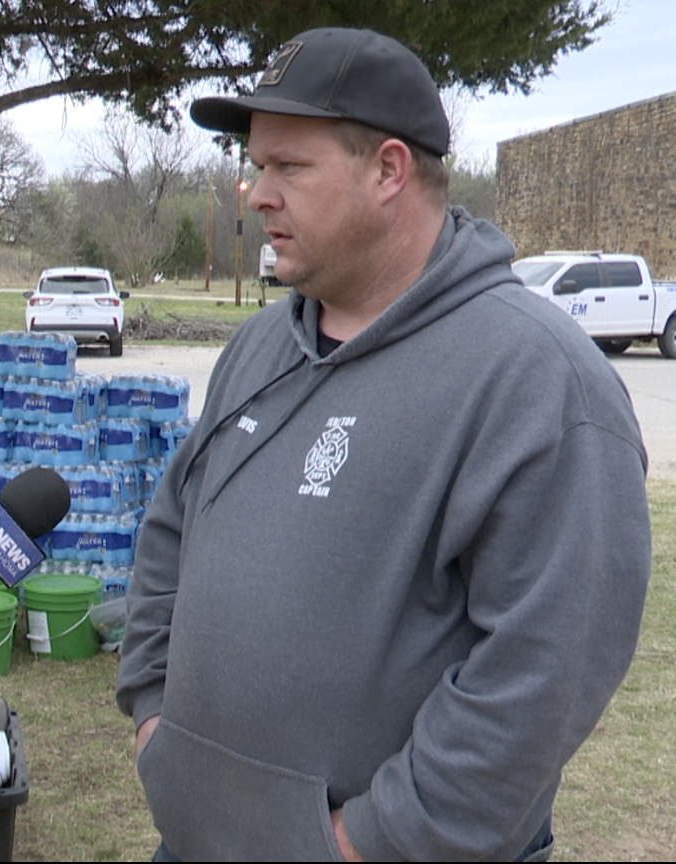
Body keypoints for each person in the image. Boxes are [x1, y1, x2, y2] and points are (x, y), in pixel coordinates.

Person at [116, 26, 651, 862]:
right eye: (258, 165)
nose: (257, 193)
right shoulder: (258, 348)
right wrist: (153, 717)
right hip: (193, 841)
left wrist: (360, 843)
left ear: (389, 171)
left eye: (289, 167)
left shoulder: (537, 381)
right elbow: (170, 534)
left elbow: (540, 677)